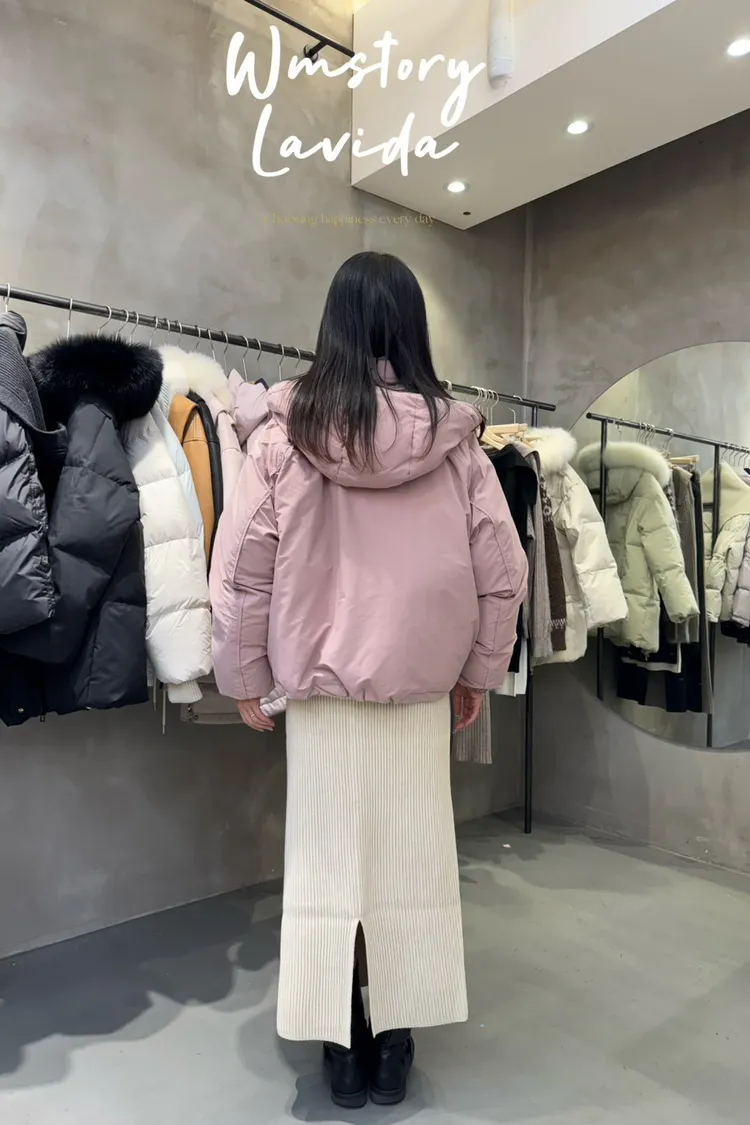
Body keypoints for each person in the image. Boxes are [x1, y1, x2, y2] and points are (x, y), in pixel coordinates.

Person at [210, 251, 527, 1108]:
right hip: (419, 693)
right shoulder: (459, 449)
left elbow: (242, 569)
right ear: (412, 330)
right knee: (412, 860)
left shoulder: (282, 438)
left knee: (324, 860)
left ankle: (338, 1040)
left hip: (321, 697)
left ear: (334, 327)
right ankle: (396, 1038)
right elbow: (504, 573)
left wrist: (244, 674)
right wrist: (478, 670)